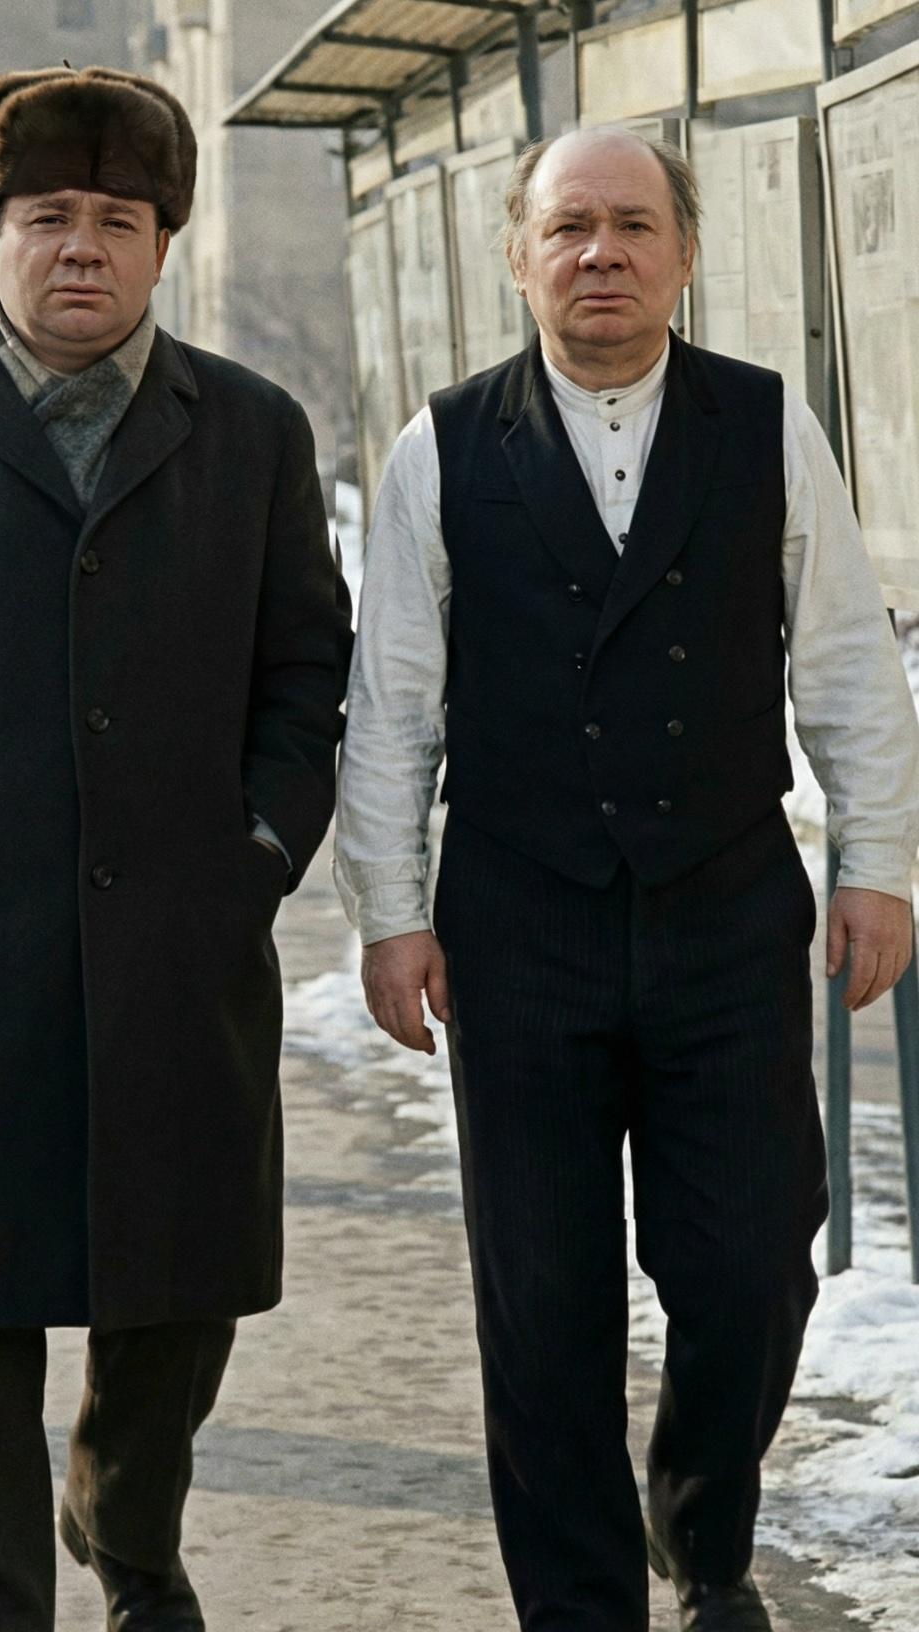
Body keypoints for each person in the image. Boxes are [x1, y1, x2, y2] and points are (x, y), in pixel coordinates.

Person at [334, 127, 919, 1632]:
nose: (602, 253)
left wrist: (878, 864)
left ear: (685, 252)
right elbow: (392, 705)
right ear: (518, 256)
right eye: (570, 227)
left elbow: (847, 664)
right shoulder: (440, 448)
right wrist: (391, 913)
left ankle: (702, 1530)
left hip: (727, 906)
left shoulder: (768, 425)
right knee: (543, 1299)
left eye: (635, 226)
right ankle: (580, 1609)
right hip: (517, 919)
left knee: (753, 1266)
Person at [0, 64, 351, 1632]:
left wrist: (258, 845)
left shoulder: (250, 430)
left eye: (119, 220)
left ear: (163, 243)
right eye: (47, 214)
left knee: (177, 1296)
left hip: (182, 948)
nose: (82, 247)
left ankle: (126, 1526)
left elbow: (304, 672)